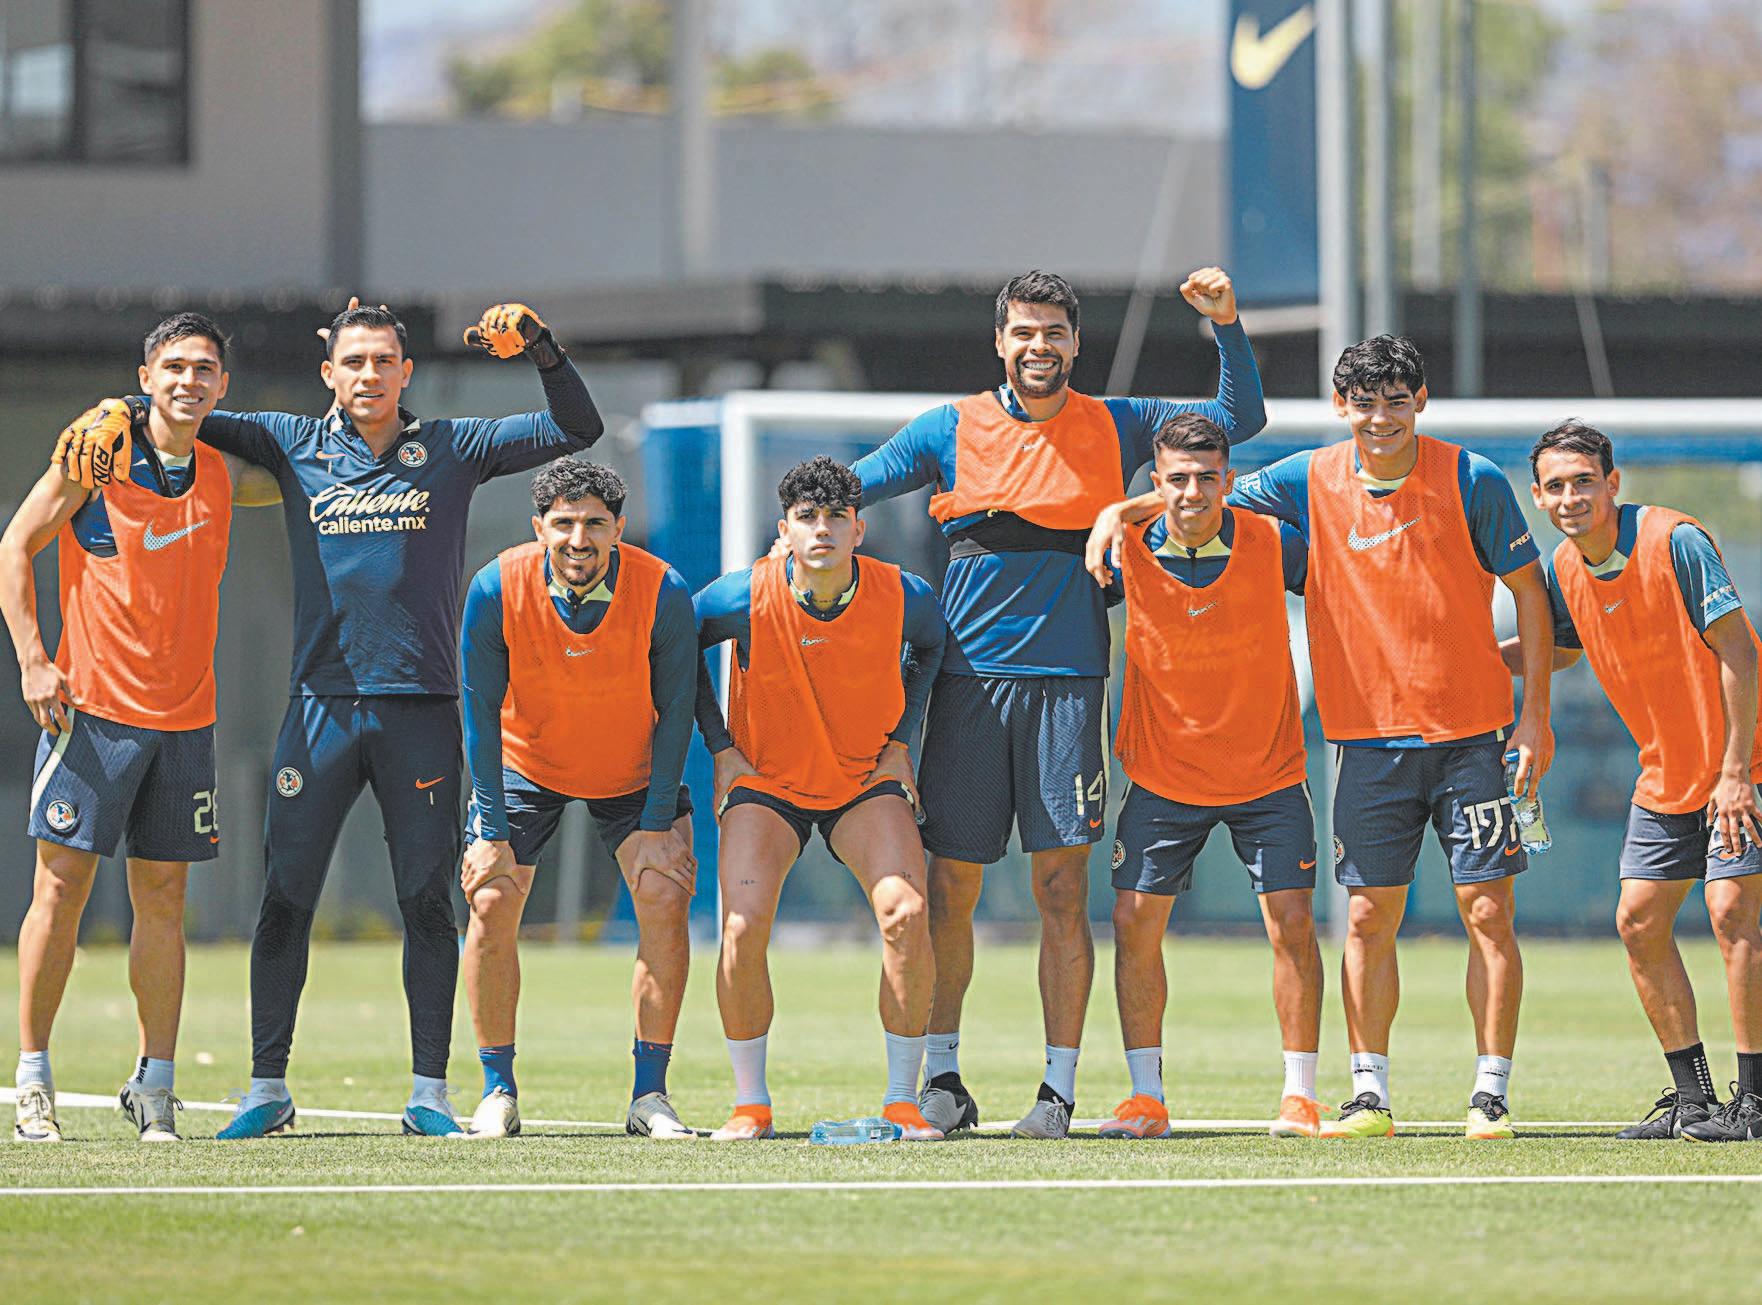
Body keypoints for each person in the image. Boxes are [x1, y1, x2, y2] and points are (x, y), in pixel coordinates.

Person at [57, 300, 604, 1138]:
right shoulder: (291, 442)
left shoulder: (454, 447)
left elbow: (577, 427)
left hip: (421, 711)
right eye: (354, 361)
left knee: (426, 902)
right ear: (329, 374)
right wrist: (118, 408)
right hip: (318, 710)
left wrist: (541, 347)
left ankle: (429, 1092)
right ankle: (266, 1088)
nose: (369, 375)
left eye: (384, 360)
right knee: (285, 899)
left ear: (406, 371)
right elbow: (184, 406)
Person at [1091, 334, 1555, 1139]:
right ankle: (1368, 1093)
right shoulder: (1306, 477)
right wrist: (1118, 510)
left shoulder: (1472, 477)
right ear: (1341, 406)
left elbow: (1531, 592)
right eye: (1364, 403)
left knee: (1488, 910)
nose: (1381, 418)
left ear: (1420, 401)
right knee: (1367, 919)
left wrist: (1536, 714)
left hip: (1473, 736)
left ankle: (1490, 1093)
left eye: (1397, 400)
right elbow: (1199, 493)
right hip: (1365, 741)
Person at [852, 267, 1265, 1138]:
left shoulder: (1119, 422)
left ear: (1077, 344)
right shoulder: (949, 427)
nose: (1038, 346)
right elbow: (856, 483)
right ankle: (944, 1080)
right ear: (1000, 342)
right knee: (950, 885)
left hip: (1071, 689)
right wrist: (804, 531)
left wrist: (1226, 325)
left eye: (1054, 332)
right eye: (1024, 332)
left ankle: (1056, 1090)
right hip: (968, 687)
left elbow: (1237, 421)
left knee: (1061, 887)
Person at [4, 314, 279, 1142]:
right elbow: (15, 545)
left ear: (223, 385)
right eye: (173, 367)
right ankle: (32, 1076)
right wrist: (33, 659)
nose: (188, 380)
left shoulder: (226, 470)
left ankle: (155, 1083)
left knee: (163, 900)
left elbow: (306, 460)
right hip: (91, 714)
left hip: (186, 721)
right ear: (145, 375)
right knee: (60, 891)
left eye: (204, 369)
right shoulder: (95, 455)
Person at [1519, 421, 1762, 1142]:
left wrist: (1736, 773)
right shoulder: (1563, 567)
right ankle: (1693, 1101)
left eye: (1583, 481)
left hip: (1740, 766)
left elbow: (1740, 651)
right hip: (1665, 773)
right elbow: (1560, 651)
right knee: (1639, 922)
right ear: (1538, 496)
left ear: (1612, 483)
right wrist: (1464, 655)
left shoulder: (1674, 540)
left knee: (1730, 911)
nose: (1571, 497)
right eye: (1556, 486)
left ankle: (1754, 1104)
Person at [693, 457, 947, 1141]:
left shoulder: (905, 595)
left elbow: (931, 648)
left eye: (837, 516)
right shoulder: (741, 596)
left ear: (859, 529)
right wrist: (720, 747)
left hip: (863, 780)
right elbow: (673, 644)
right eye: (807, 517)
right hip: (766, 782)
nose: (823, 528)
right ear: (784, 530)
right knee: (740, 929)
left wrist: (902, 740)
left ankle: (902, 1101)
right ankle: (751, 1104)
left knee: (907, 913)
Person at [1095, 414, 1324, 1140]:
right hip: (1163, 775)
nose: (1192, 491)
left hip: (1268, 771)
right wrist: (1111, 516)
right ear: (1156, 482)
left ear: (1230, 481)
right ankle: (1145, 1096)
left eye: (1206, 477)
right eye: (1177, 479)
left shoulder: (1275, 542)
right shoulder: (1122, 549)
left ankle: (1300, 1095)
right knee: (1133, 922)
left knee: (1292, 924)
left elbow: (1352, 585)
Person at [457, 457, 698, 1141]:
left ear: (619, 528)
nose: (578, 538)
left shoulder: (663, 589)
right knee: (491, 899)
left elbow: (677, 712)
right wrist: (490, 830)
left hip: (632, 768)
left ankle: (650, 1096)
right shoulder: (494, 586)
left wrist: (659, 823)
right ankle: (497, 1090)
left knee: (663, 893)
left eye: (595, 523)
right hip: (525, 763)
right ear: (539, 527)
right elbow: (478, 715)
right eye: (563, 523)